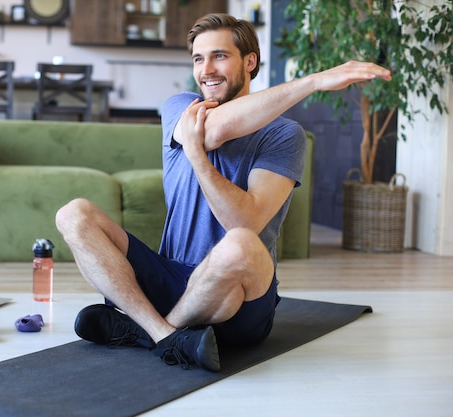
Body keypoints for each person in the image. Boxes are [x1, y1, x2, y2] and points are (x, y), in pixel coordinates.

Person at [55, 13, 391, 372]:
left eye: (219, 56)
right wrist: (314, 82)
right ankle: (164, 336)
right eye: (199, 59)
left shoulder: (284, 136)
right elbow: (213, 130)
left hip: (240, 296)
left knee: (242, 244)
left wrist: (198, 158)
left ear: (250, 61)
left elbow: (242, 221)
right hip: (172, 279)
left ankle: (141, 327)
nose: (206, 69)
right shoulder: (180, 106)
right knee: (74, 214)